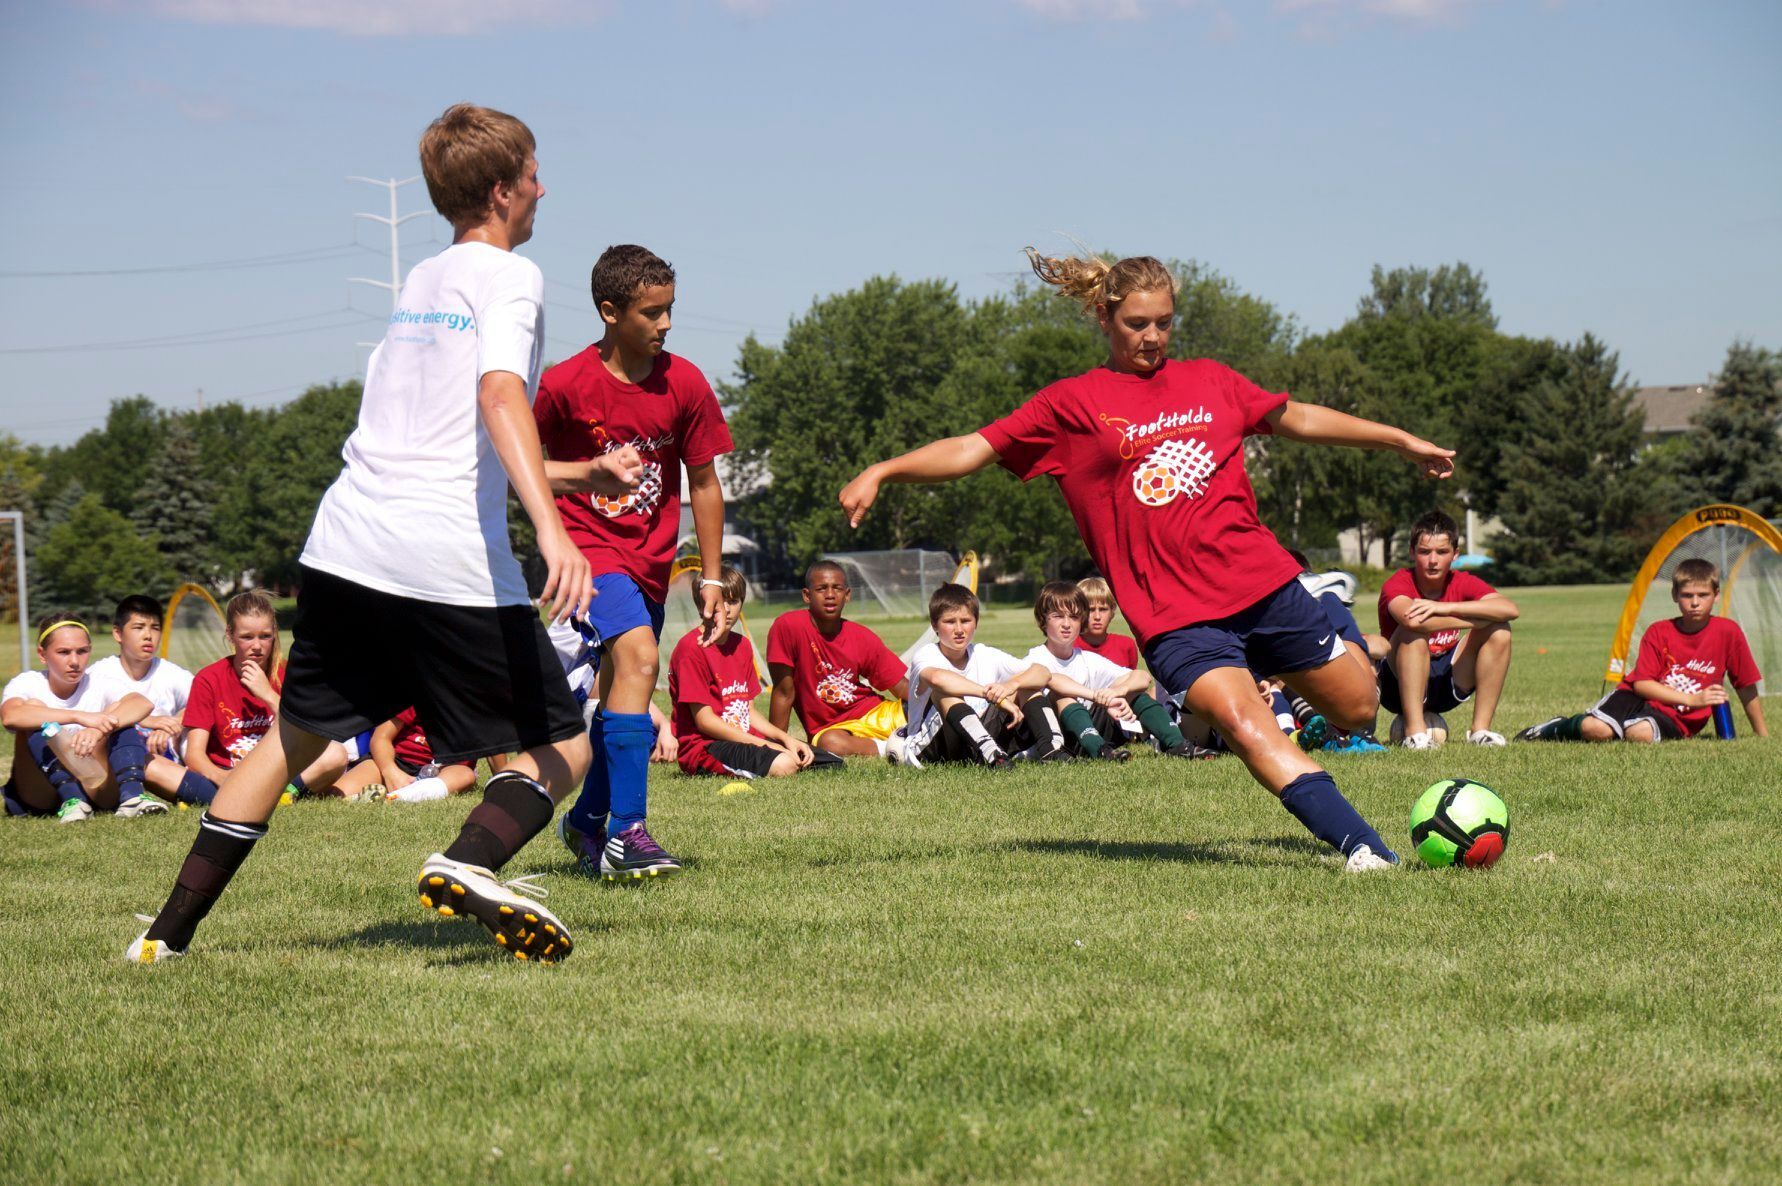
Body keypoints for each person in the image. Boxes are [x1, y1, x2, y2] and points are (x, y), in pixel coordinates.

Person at [129, 103, 631, 965]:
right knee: (564, 744)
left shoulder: (420, 284)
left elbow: (439, 437)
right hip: (445, 560)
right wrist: (556, 534)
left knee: (291, 740)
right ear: (505, 191)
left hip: (346, 543)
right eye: (537, 173)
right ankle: (467, 862)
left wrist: (579, 477)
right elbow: (500, 398)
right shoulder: (514, 278)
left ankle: (162, 938)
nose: (546, 187)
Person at [842, 249, 1456, 870]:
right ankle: (1365, 849)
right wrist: (885, 470)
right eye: (1137, 323)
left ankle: (1324, 600)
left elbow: (1298, 417)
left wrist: (1398, 440)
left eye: (1164, 321)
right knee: (1245, 725)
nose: (1153, 336)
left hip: (1262, 583)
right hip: (1176, 616)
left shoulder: (1212, 380)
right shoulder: (1071, 404)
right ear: (1104, 319)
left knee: (1355, 708)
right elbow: (972, 448)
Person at [534, 243, 733, 881]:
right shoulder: (562, 386)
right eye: (653, 312)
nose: (667, 324)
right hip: (588, 556)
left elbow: (704, 482)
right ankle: (629, 833)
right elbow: (518, 468)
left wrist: (707, 573)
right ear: (610, 311)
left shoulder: (687, 382)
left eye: (671, 309)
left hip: (652, 562)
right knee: (643, 662)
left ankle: (587, 823)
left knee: (625, 686)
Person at [1519, 559, 1767, 743]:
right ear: (1674, 595)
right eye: (1687, 595)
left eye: (1702, 595)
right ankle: (1554, 727)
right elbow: (1642, 686)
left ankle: (1623, 728)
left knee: (1640, 735)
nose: (1694, 602)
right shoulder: (1659, 631)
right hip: (1635, 697)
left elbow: (1745, 685)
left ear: (1715, 596)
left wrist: (1761, 735)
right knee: (1597, 730)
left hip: (1677, 716)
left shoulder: (1728, 632)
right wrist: (1692, 699)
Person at [669, 567, 844, 785]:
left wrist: (785, 739)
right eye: (719, 602)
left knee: (830, 761)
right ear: (701, 604)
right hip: (706, 747)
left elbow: (749, 712)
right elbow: (705, 722)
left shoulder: (742, 645)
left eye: (733, 601)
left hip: (745, 739)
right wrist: (767, 746)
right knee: (785, 764)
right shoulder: (691, 649)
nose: (726, 610)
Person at [181, 591, 355, 802]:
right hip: (228, 771)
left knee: (336, 754)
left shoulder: (289, 673)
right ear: (230, 634)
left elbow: (311, 734)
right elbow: (194, 754)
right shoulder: (208, 678)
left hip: (279, 772)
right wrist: (223, 778)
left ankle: (282, 794)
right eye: (246, 637)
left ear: (274, 633)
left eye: (265, 636)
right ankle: (237, 795)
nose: (257, 646)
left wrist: (268, 695)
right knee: (155, 768)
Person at [1377, 510, 1518, 748]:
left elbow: (1509, 609)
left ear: (1455, 554)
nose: (1433, 560)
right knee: (1413, 634)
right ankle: (1415, 734)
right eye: (1424, 552)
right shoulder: (1398, 583)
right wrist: (1472, 620)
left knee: (1500, 630)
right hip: (1398, 684)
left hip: (1445, 681)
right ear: (1412, 552)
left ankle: (1480, 731)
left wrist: (1442, 608)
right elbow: (1412, 620)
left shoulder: (1461, 581)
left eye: (1442, 552)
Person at [1024, 580, 1208, 760]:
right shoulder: (1034, 658)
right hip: (1056, 742)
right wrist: (1098, 697)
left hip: (1090, 732)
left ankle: (1176, 744)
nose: (1066, 624)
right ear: (1043, 620)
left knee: (1132, 691)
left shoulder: (1088, 659)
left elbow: (1142, 677)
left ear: (1081, 621)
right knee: (1062, 696)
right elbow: (1051, 679)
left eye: (1073, 617)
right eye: (1057, 616)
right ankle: (1101, 750)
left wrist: (1117, 692)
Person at [3, 616, 163, 820]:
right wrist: (79, 717)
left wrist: (99, 728)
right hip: (41, 793)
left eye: (82, 651)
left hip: (94, 784)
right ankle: (72, 801)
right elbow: (11, 716)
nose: (75, 662)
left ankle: (132, 797)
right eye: (63, 652)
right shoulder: (27, 682)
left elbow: (142, 703)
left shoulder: (98, 682)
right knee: (34, 712)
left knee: (117, 715)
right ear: (42, 655)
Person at [896, 582, 1064, 768]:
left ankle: (1053, 749)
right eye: (950, 622)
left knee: (1026, 687)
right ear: (934, 625)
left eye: (966, 621)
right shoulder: (927, 654)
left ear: (976, 622)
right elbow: (938, 679)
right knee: (944, 693)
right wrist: (993, 696)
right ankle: (992, 754)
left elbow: (1042, 672)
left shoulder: (984, 654)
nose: (959, 630)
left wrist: (1010, 686)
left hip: (974, 741)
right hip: (933, 747)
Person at [766, 560, 909, 758]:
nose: (830, 595)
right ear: (807, 595)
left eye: (837, 588)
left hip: (879, 715)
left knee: (928, 713)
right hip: (834, 730)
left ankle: (909, 739)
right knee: (830, 745)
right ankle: (895, 747)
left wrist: (933, 702)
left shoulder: (861, 636)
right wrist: (774, 747)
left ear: (847, 595)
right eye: (821, 589)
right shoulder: (788, 627)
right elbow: (783, 693)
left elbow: (900, 686)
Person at [87, 594, 218, 806]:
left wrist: (173, 723)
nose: (148, 635)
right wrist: (149, 721)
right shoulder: (98, 675)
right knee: (122, 732)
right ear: (118, 633)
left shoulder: (172, 674)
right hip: (114, 765)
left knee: (191, 733)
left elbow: (205, 703)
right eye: (138, 628)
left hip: (164, 758)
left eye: (155, 628)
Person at [1073, 576, 1142, 670]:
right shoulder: (1069, 646)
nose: (1097, 617)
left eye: (1103, 609)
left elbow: (1133, 680)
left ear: (1112, 612)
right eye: (1091, 610)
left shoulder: (1126, 645)